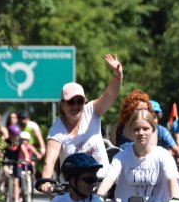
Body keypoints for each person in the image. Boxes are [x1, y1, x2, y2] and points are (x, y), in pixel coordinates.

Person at [40, 54, 123, 189]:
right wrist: (45, 181)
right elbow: (49, 162)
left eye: (80, 101)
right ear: (62, 104)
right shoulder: (56, 130)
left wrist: (117, 75)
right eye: (71, 102)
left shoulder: (91, 111)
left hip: (101, 184)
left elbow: (109, 95)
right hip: (72, 188)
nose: (75, 106)